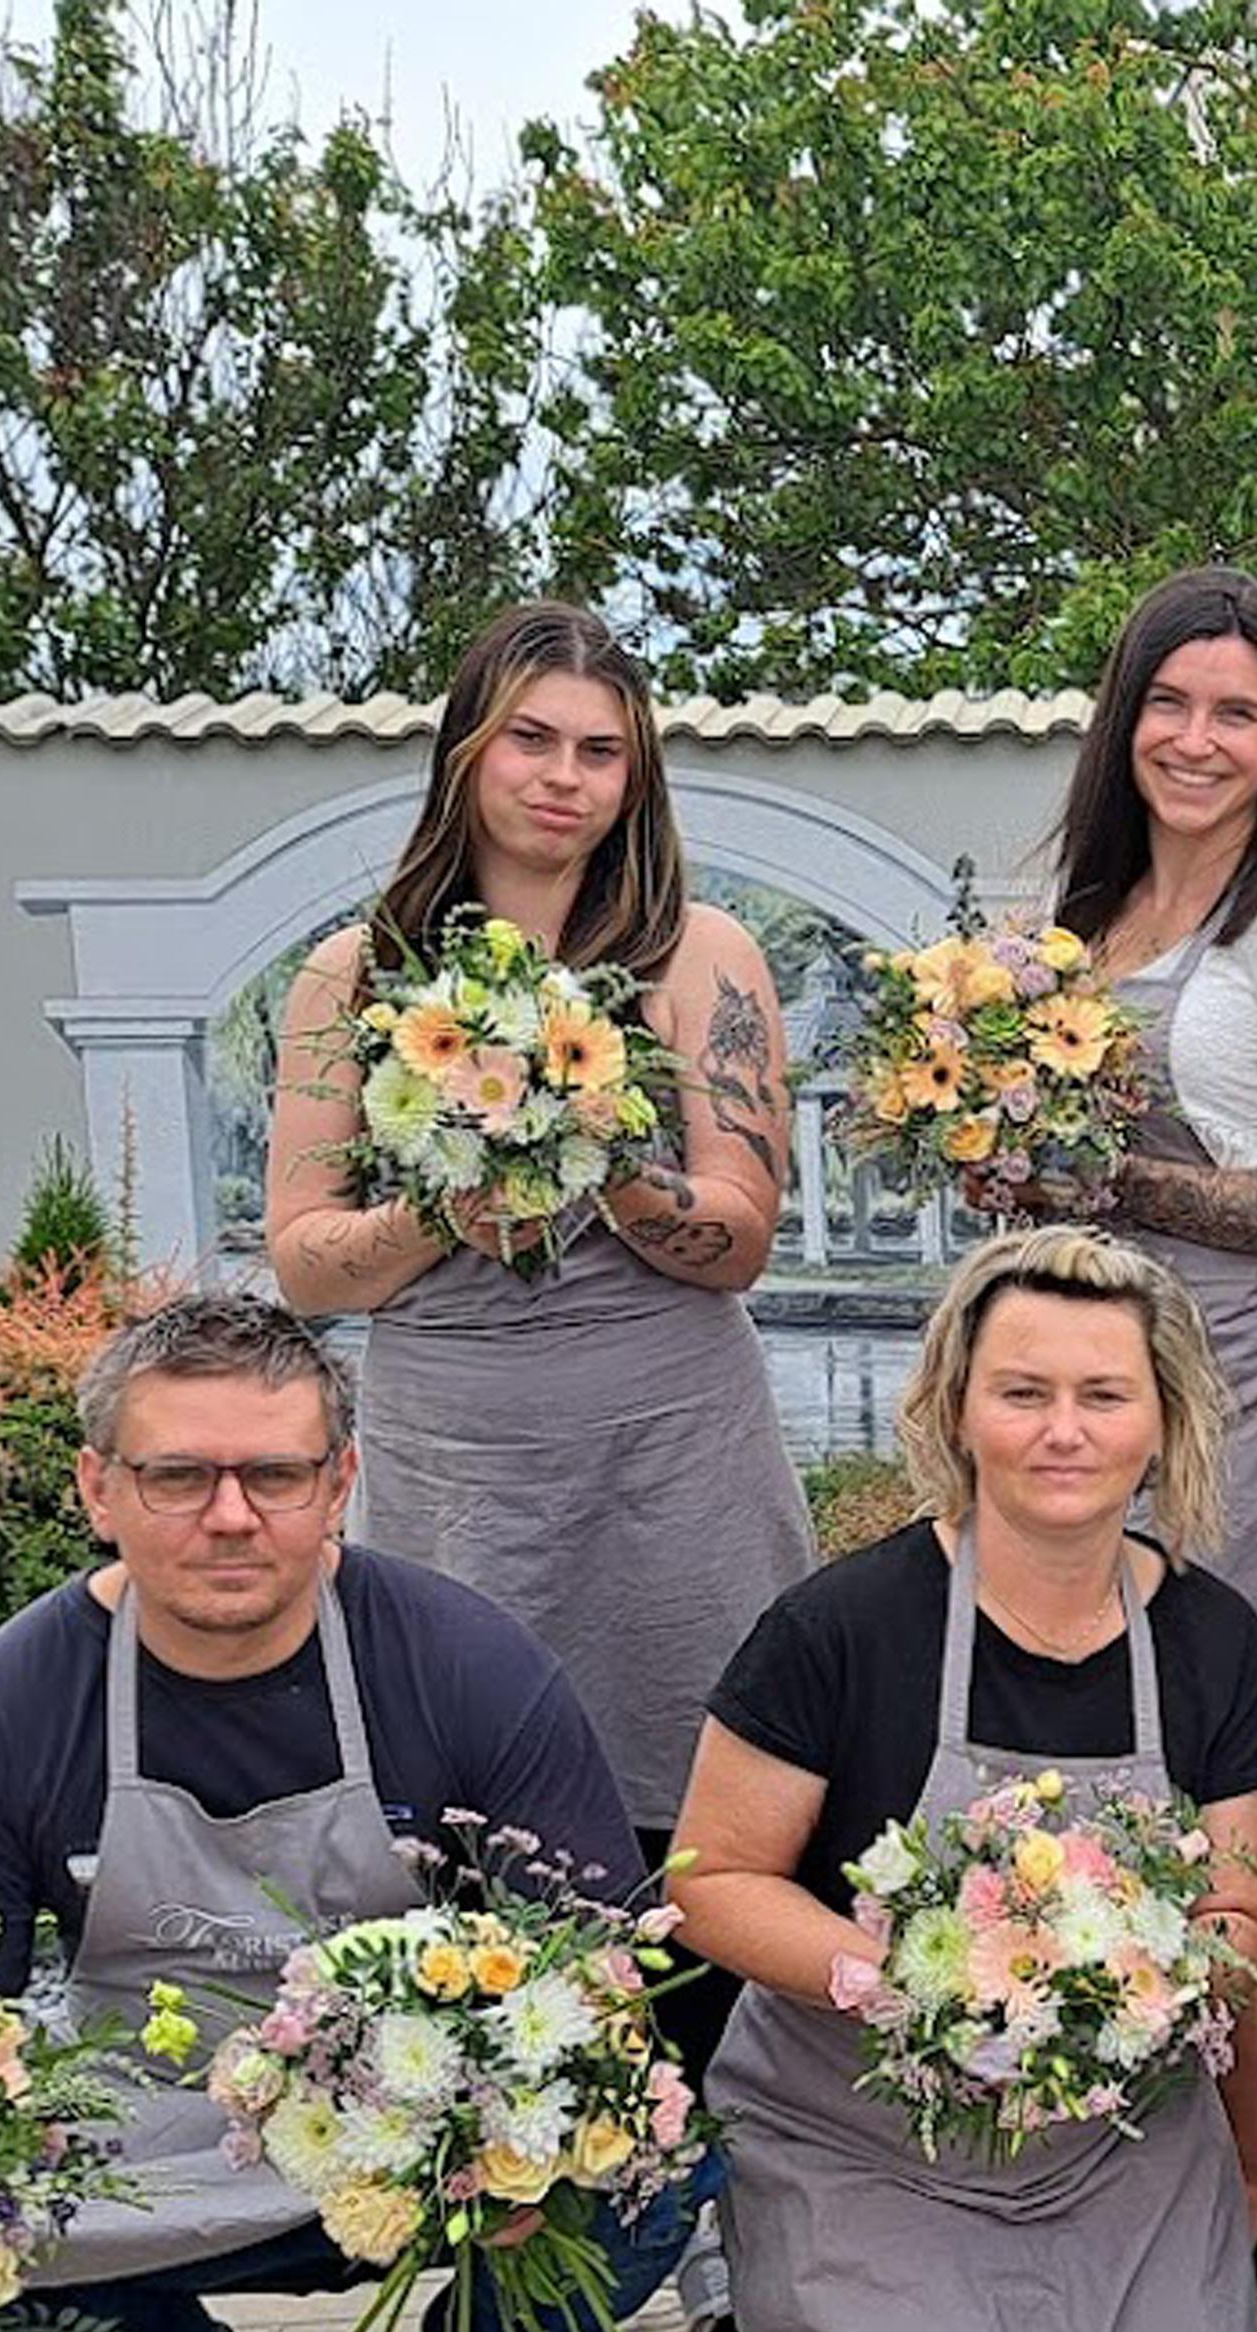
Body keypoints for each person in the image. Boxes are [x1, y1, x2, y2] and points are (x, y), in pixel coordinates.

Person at [0, 1294, 686, 2332]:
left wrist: (502, 2116)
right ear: (98, 1487)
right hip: (146, 2148)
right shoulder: (3, 1712)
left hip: (418, 2137)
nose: (230, 1514)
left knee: (665, 2148)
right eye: (178, 1473)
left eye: (275, 1473)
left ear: (340, 1482)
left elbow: (603, 1967)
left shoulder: (461, 1662)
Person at [668, 1228, 1257, 2332]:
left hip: (1109, 2142)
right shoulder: (841, 1625)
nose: (1064, 1430)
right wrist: (912, 1980)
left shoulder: (1214, 1637)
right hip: (870, 2137)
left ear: (1164, 1417)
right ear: (954, 1405)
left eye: (1105, 1394)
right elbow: (707, 1881)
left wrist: (1236, 2104)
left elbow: (1238, 1893)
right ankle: (746, 2312)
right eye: (1022, 1390)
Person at [267, 598, 812, 2094]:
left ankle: (711, 2182)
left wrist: (599, 1156)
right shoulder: (348, 979)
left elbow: (742, 1229)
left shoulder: (703, 956)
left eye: (602, 752)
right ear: (465, 752)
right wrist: (459, 1192)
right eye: (532, 739)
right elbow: (308, 1252)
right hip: (460, 1460)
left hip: (673, 1451)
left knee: (703, 1807)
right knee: (468, 1822)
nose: (565, 777)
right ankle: (524, 2184)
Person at [1054, 562, 1257, 2268]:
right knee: (1083, 1780)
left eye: (1236, 712)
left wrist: (1101, 1177)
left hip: (1230, 1403)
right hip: (1060, 1402)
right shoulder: (1080, 915)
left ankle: (1256, 2157)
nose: (1196, 738)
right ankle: (1178, 2140)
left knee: (1205, 1788)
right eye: (1169, 703)